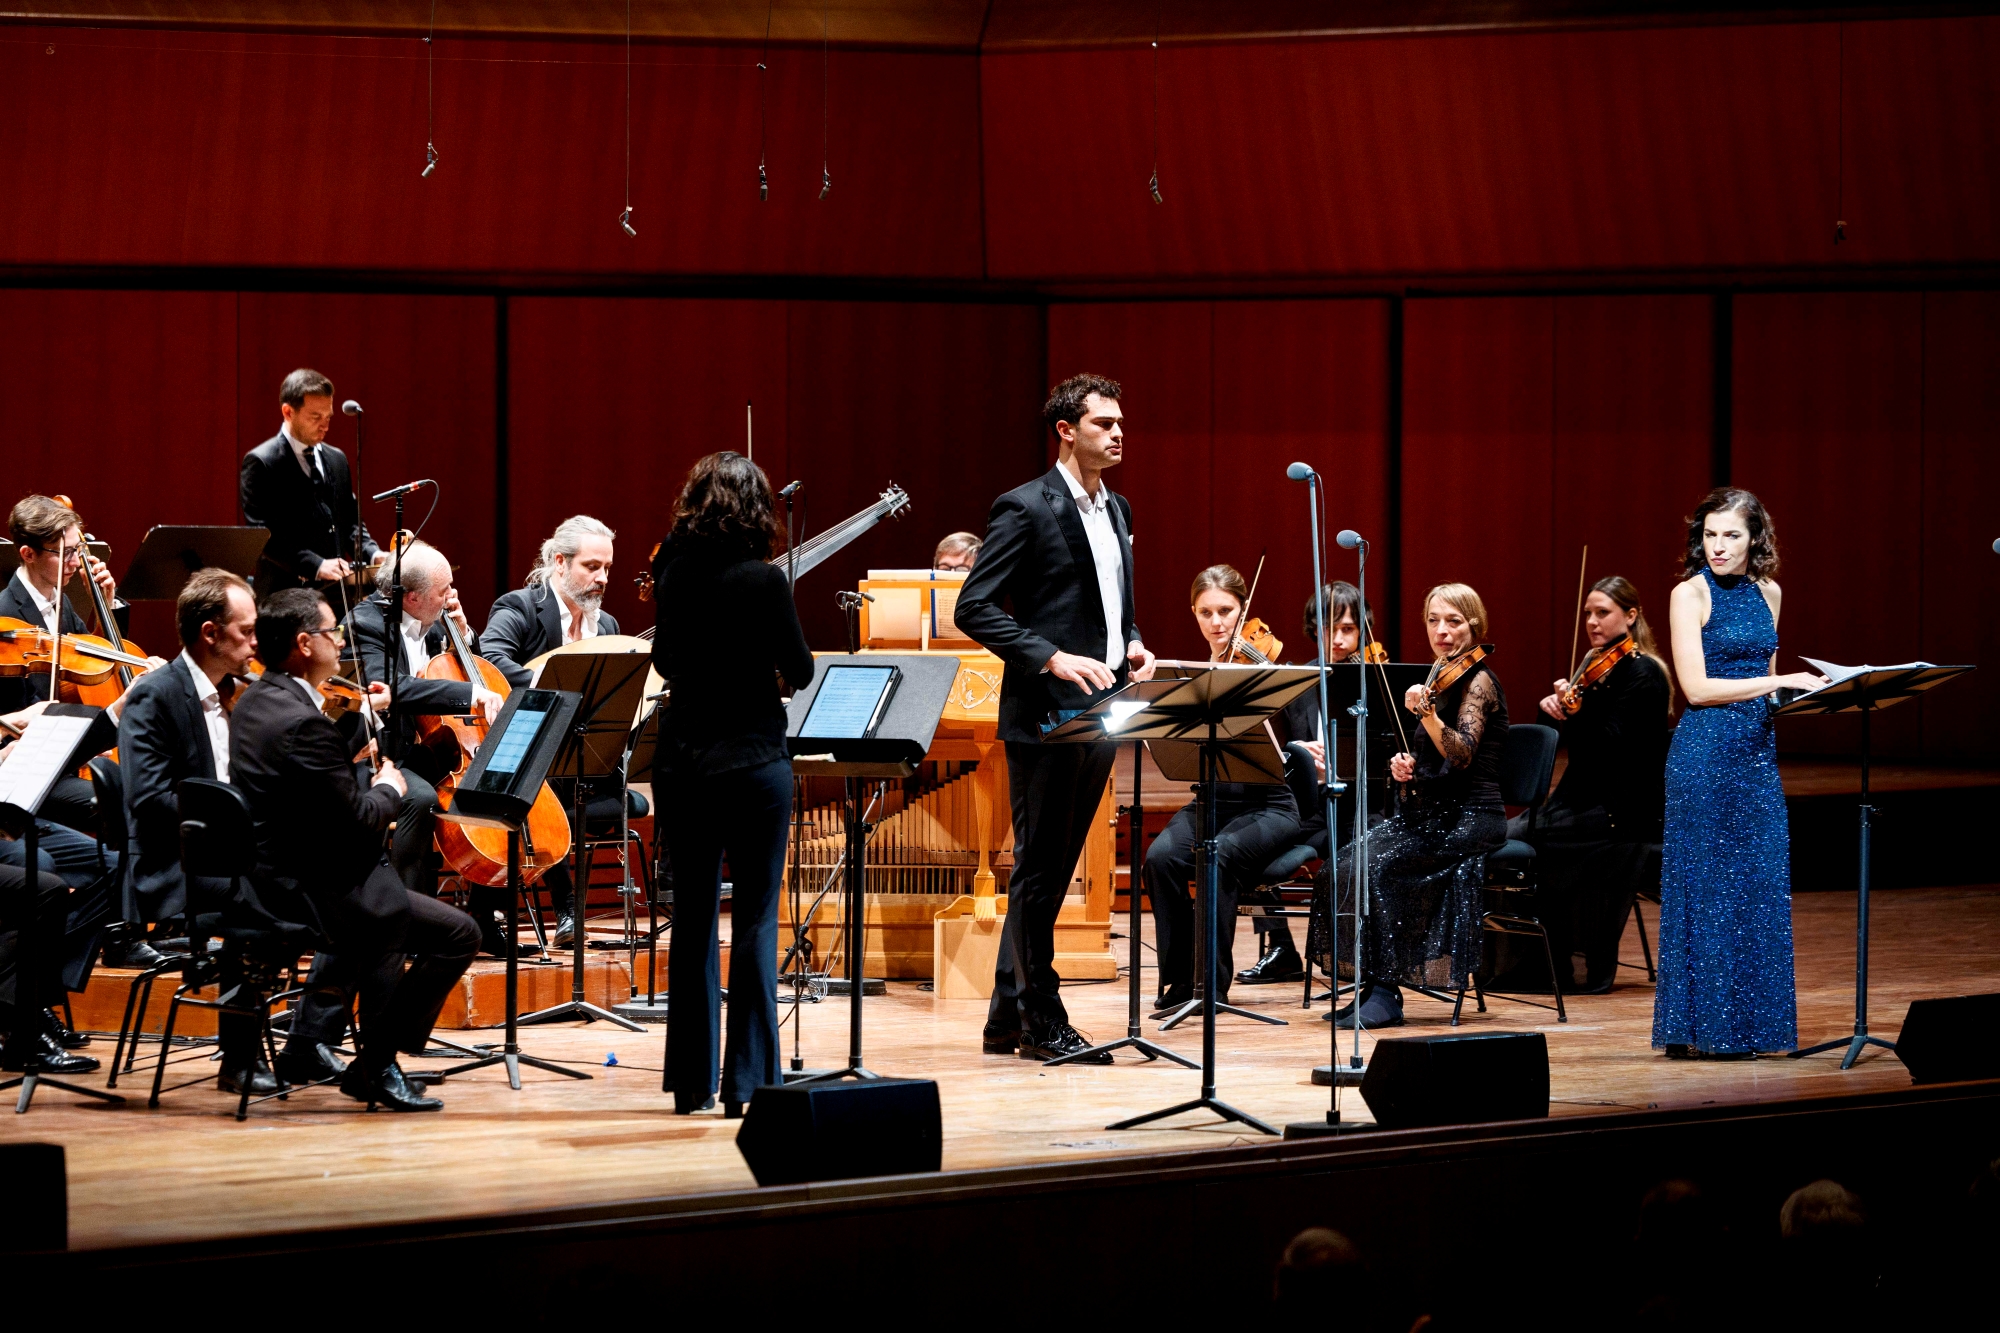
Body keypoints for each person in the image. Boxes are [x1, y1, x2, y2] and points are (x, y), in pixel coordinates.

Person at [954, 373, 1156, 1063]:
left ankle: (1005, 1020)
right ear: (1067, 430)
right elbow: (973, 606)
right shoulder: (1024, 507)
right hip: (1044, 712)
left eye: (1121, 422)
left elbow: (1111, 600)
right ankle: (1044, 1021)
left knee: (1052, 869)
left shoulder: (1119, 509)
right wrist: (1049, 657)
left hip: (1101, 710)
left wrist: (1129, 639)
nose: (1119, 432)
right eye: (1104, 423)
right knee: (1039, 873)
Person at [230, 587, 479, 1110]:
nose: (340, 643)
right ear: (303, 644)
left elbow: (305, 787)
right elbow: (359, 819)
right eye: (331, 634)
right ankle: (377, 1063)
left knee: (391, 910)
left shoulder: (256, 699)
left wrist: (346, 753)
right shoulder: (304, 721)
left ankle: (311, 1048)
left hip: (273, 870)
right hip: (315, 886)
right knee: (455, 932)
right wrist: (390, 787)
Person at [651, 453, 814, 1115]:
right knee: (754, 918)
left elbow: (664, 658)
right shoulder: (764, 582)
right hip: (753, 763)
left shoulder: (673, 571)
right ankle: (746, 1084)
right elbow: (799, 668)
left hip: (686, 762)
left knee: (691, 918)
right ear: (757, 511)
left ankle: (691, 1080)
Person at [1654, 488, 1824, 1059]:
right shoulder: (1688, 593)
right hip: (1704, 759)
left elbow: (1768, 677)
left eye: (1731, 535)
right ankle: (1703, 1030)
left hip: (1756, 756)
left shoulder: (1768, 592)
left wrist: (1822, 693)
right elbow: (1697, 689)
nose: (1718, 547)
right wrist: (1777, 684)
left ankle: (1753, 1028)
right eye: (1709, 534)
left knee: (1758, 889)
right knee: (1708, 889)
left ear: (1756, 539)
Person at [1319, 583, 1509, 1030]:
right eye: (1433, 621)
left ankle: (1387, 994)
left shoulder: (1479, 681)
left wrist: (1425, 715)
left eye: (1453, 621)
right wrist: (1404, 769)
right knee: (1342, 866)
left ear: (1474, 625)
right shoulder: (1437, 675)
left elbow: (1461, 753)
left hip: (1472, 818)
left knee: (1378, 868)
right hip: (1431, 813)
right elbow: (1433, 762)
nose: (1441, 631)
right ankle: (1369, 984)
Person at [1146, 565, 1305, 1009]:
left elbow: (1291, 736)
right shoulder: (1193, 677)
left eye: (1226, 612)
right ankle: (1179, 981)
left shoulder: (1262, 666)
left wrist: (1268, 682)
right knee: (1160, 859)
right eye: (1206, 613)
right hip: (1213, 801)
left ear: (1243, 611)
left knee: (1217, 855)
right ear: (1193, 614)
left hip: (1270, 805)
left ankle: (1208, 987)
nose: (1216, 623)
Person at [1505, 576, 1673, 993]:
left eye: (1604, 612)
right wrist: (1552, 711)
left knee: (1524, 837)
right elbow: (1567, 741)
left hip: (1624, 810)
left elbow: (1613, 745)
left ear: (1630, 616)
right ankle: (1536, 961)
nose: (1593, 622)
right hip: (1583, 800)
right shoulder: (1594, 666)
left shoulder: (1645, 674)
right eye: (1588, 614)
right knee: (1510, 833)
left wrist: (1574, 713)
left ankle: (1550, 964)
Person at [479, 515, 640, 949]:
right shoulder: (518, 608)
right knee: (540, 794)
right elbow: (490, 660)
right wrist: (560, 689)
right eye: (591, 566)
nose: (602, 578)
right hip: (525, 753)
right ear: (559, 562)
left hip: (581, 761)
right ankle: (566, 908)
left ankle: (663, 891)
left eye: (607, 568)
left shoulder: (604, 627)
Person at [343, 541, 504, 933]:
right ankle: (403, 922)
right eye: (444, 590)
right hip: (381, 754)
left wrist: (464, 636)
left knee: (497, 787)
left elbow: (460, 667)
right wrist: (470, 695)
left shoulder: (435, 621)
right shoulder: (365, 623)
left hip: (434, 747)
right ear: (411, 597)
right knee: (419, 798)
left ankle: (484, 917)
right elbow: (393, 688)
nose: (452, 598)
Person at [115, 569, 260, 958]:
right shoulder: (155, 695)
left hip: (228, 854)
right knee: (299, 888)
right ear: (210, 633)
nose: (255, 643)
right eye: (245, 632)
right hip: (175, 868)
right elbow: (148, 800)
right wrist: (238, 817)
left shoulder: (238, 691)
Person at [1239, 581, 1373, 986]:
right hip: (1314, 811)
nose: (1340, 638)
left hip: (1360, 811)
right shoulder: (1299, 683)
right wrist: (1300, 752)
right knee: (1248, 846)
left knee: (1351, 858)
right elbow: (1275, 751)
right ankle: (1282, 949)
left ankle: (1352, 953)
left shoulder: (1374, 684)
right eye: (1331, 627)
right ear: (1315, 627)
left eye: (1350, 628)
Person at [238, 368, 380, 596]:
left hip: (336, 595)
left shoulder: (337, 459)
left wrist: (372, 553)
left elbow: (350, 522)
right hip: (284, 595)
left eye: (328, 417)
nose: (325, 426)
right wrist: (316, 565)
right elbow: (262, 533)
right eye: (316, 417)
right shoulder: (262, 462)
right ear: (288, 412)